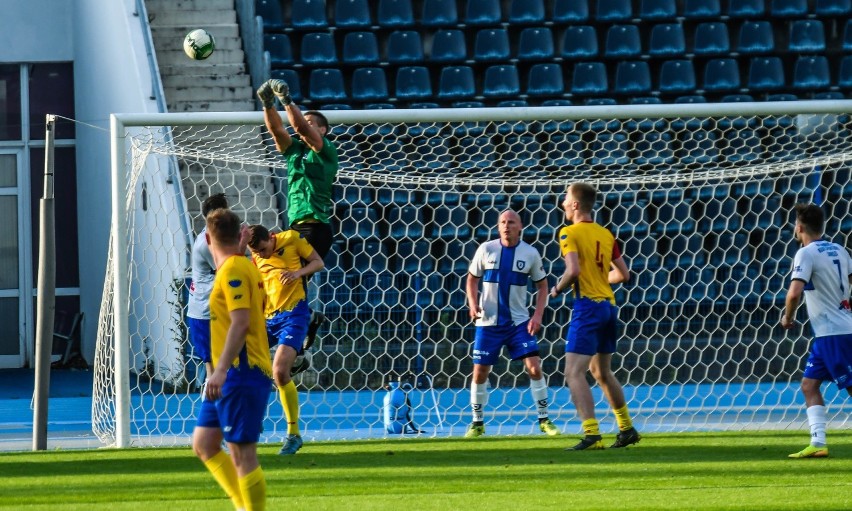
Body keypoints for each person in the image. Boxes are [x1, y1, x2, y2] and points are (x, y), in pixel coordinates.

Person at [193, 208, 272, 511]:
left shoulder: (234, 270)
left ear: (209, 238)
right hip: (229, 376)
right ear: (240, 236)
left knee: (242, 453)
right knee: (204, 444)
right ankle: (243, 506)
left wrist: (220, 370)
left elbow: (240, 322)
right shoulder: (239, 264)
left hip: (240, 372)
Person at [551, 183, 640, 451]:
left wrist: (557, 288)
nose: (563, 203)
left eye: (566, 199)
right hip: (609, 306)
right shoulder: (606, 234)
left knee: (573, 372)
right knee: (600, 371)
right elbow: (623, 275)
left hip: (588, 307)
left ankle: (591, 435)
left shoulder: (568, 233)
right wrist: (601, 280)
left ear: (576, 204)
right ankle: (626, 428)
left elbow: (573, 270)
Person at [257, 78, 339, 351]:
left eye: (313, 122)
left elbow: (300, 128)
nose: (306, 124)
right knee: (284, 277)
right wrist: (268, 104)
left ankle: (298, 332)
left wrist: (287, 101)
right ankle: (300, 330)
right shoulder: (294, 152)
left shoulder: (325, 151)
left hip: (316, 225)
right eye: (306, 121)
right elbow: (276, 130)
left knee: (294, 278)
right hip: (294, 226)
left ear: (324, 129)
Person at [464, 209, 560, 438]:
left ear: (520, 226)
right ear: (498, 227)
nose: (507, 226)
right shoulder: (486, 249)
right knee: (479, 372)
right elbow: (471, 279)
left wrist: (537, 316)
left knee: (535, 367)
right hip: (488, 323)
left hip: (519, 323)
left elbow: (543, 286)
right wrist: (473, 303)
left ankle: (544, 420)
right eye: (503, 222)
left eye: (511, 222)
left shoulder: (530, 253)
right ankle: (477, 423)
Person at [780, 203, 852, 459]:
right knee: (809, 385)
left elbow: (794, 293)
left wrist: (787, 317)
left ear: (799, 227)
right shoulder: (841, 250)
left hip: (834, 333)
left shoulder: (806, 254)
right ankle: (818, 443)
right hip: (831, 332)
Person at [247, 224, 325, 455]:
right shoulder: (255, 253)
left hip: (294, 314)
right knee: (245, 362)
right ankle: (253, 416)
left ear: (271, 238)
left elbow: (318, 262)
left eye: (263, 249)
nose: (261, 255)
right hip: (268, 319)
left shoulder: (291, 239)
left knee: (279, 373)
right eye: (257, 252)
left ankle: (293, 435)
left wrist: (296, 274)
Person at [187, 193, 229, 387]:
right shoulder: (206, 243)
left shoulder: (214, 236)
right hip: (205, 311)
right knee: (214, 369)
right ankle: (213, 409)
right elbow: (228, 268)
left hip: (212, 307)